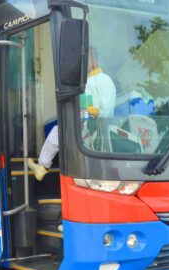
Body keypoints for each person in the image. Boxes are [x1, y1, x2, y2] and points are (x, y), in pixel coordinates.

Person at [27, 49, 116, 180]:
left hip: (90, 131)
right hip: (102, 130)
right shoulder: (109, 81)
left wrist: (75, 117)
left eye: (84, 61)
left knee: (57, 132)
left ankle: (42, 166)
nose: (81, 66)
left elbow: (88, 111)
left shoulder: (90, 83)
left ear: (93, 61)